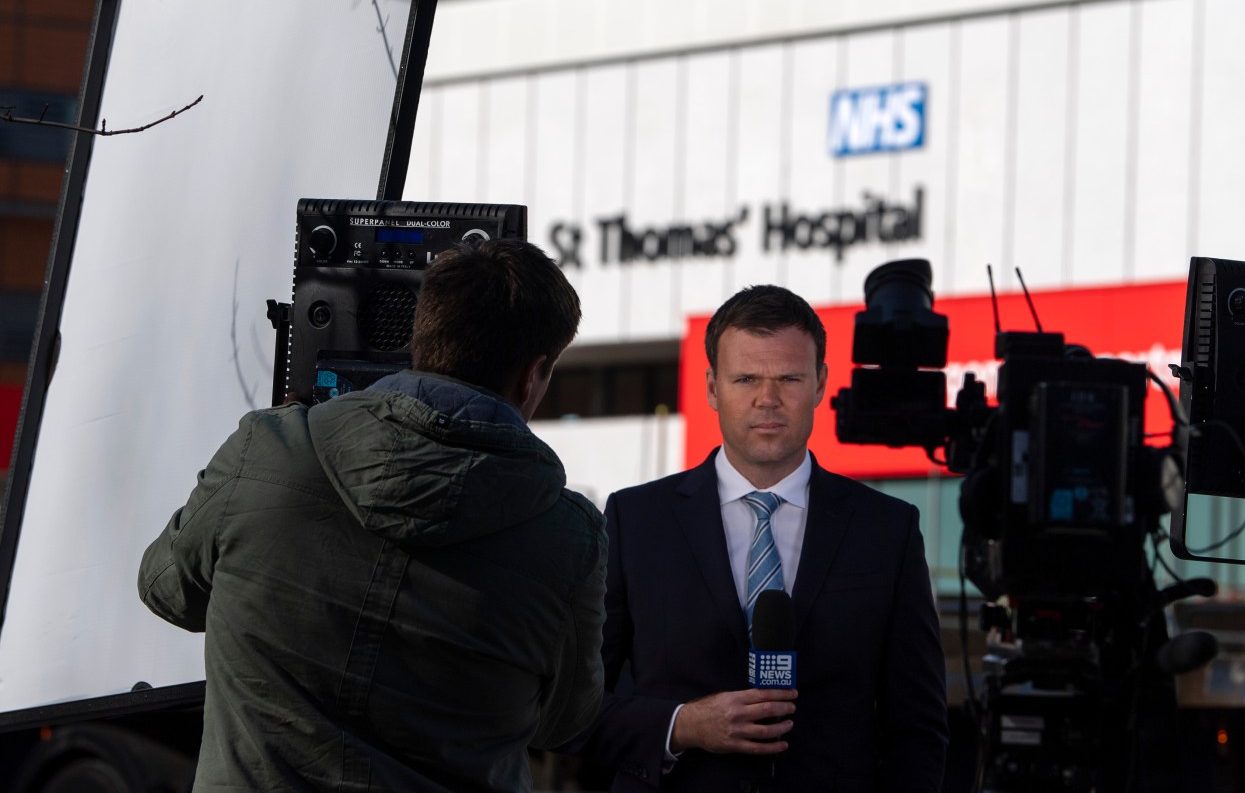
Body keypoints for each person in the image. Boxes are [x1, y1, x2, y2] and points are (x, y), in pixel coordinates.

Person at [138, 239, 605, 792]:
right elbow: (563, 719)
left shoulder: (266, 451)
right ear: (532, 375)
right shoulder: (569, 537)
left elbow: (165, 588)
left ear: (421, 337)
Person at [567, 284, 948, 791]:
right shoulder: (633, 519)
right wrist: (682, 726)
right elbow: (571, 706)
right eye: (745, 378)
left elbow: (919, 725)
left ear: (819, 384)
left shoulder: (888, 528)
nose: (767, 400)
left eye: (788, 378)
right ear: (711, 387)